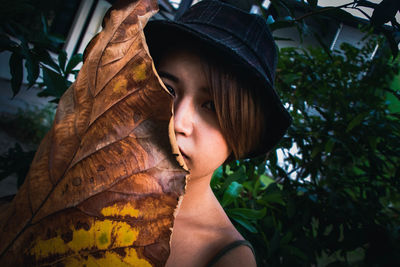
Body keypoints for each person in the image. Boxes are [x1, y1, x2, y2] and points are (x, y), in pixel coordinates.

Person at [144, 0, 292, 266]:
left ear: (241, 132)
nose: (177, 122)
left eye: (210, 106)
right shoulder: (85, 178)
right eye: (169, 90)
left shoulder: (223, 256)